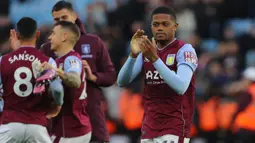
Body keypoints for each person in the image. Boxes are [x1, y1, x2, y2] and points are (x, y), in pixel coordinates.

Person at [117, 6, 198, 143]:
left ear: (175, 26)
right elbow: (121, 81)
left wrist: (155, 60)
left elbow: (181, 86)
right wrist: (133, 55)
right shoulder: (147, 51)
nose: (160, 28)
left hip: (175, 126)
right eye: (156, 24)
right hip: (149, 126)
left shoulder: (184, 50)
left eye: (165, 24)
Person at [40, 1, 116, 142]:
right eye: (56, 20)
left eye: (64, 17)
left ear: (74, 16)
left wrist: (93, 76)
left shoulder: (93, 42)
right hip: (62, 121)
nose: (60, 23)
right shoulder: (47, 48)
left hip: (92, 116)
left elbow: (111, 76)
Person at [0, 17, 64, 143]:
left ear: (17, 35)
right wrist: (58, 104)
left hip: (10, 125)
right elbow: (57, 89)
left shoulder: (3, 61)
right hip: (37, 126)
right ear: (37, 34)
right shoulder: (48, 62)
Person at [41, 21, 91, 143]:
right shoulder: (59, 61)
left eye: (53, 33)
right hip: (76, 128)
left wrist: (55, 71)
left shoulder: (71, 59)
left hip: (68, 131)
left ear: (64, 36)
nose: (49, 37)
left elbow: (75, 81)